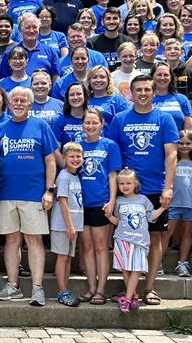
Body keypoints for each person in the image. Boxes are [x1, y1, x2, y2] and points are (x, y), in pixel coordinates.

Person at [108, 75, 178, 305]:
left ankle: (149, 287)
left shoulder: (164, 119)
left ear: (153, 91)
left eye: (147, 89)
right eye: (138, 89)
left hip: (154, 187)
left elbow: (171, 154)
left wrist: (168, 187)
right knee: (125, 238)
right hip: (126, 189)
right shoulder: (119, 119)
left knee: (155, 238)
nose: (143, 93)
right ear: (131, 93)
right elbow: (113, 155)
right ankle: (129, 288)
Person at [0, 87, 58, 305]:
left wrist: (49, 190)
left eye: (23, 100)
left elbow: (50, 160)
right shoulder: (1, 129)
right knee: (11, 240)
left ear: (30, 104)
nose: (18, 103)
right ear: (8, 104)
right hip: (6, 193)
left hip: (33, 194)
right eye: (15, 100)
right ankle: (13, 286)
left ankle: (37, 289)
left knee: (33, 240)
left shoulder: (41, 126)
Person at [78, 108, 121, 305]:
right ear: (82, 125)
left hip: (100, 202)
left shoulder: (109, 146)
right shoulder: (77, 146)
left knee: (101, 247)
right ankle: (91, 287)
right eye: (87, 123)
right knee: (86, 247)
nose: (91, 126)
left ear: (102, 124)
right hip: (80, 204)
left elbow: (113, 175)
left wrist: (111, 201)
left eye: (95, 122)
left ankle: (101, 289)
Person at [107, 168, 164, 313]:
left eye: (128, 183)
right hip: (122, 239)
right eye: (121, 184)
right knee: (125, 269)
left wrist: (163, 207)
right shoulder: (118, 201)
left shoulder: (143, 200)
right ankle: (133, 296)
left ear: (135, 184)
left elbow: (151, 217)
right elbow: (117, 221)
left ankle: (126, 298)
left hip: (139, 241)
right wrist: (108, 216)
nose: (125, 186)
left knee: (136, 269)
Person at [51, 142, 84, 307]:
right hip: (63, 225)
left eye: (78, 156)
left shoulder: (75, 176)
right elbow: (62, 202)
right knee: (62, 258)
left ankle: (65, 290)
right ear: (64, 158)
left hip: (73, 225)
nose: (75, 159)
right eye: (71, 156)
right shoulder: (63, 176)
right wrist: (70, 225)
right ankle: (62, 291)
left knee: (69, 258)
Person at [168, 131, 192, 278]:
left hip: (190, 203)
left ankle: (182, 263)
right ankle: (158, 262)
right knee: (166, 233)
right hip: (173, 202)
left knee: (187, 234)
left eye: (188, 143)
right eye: (181, 143)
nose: (184, 146)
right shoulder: (170, 159)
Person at [52, 82, 88, 147]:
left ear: (85, 96)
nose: (75, 97)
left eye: (79, 94)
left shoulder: (91, 118)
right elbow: (56, 150)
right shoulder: (60, 120)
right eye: (71, 95)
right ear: (67, 98)